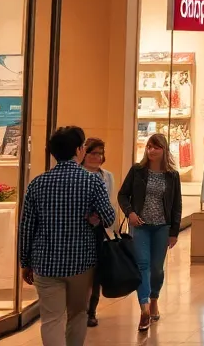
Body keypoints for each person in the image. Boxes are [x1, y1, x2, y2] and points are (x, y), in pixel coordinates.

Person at [19, 126, 115, 346]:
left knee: (51, 319)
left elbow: (26, 227)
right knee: (78, 314)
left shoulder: (37, 184)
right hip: (82, 262)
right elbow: (109, 218)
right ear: (79, 149)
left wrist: (25, 261)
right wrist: (94, 217)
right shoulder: (92, 182)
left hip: (45, 262)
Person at [117, 133, 182, 332]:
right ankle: (144, 309)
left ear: (164, 150)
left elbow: (176, 205)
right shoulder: (137, 171)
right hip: (141, 227)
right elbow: (122, 194)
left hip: (162, 227)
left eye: (156, 147)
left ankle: (154, 298)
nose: (152, 151)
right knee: (142, 265)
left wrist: (174, 232)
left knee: (157, 269)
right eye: (149, 147)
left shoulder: (172, 175)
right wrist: (131, 213)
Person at [80, 138, 116, 328]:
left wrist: (104, 221)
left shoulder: (107, 176)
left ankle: (91, 310)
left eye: (99, 153)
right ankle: (79, 308)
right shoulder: (77, 175)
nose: (96, 157)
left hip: (100, 231)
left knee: (96, 273)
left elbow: (109, 204)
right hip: (80, 230)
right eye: (92, 153)